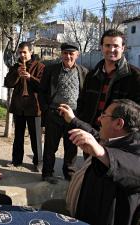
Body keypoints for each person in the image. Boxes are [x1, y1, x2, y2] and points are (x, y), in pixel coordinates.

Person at [53, 99, 140, 225]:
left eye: (104, 115)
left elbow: (132, 167)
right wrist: (73, 119)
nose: (99, 119)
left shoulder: (134, 148)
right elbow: (93, 134)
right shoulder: (111, 139)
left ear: (118, 124)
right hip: (78, 215)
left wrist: (102, 153)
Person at [32, 42, 88, 183]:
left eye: (71, 53)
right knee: (51, 147)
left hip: (73, 116)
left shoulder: (84, 72)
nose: (68, 56)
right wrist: (46, 109)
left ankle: (69, 175)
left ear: (77, 55)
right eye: (65, 53)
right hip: (54, 114)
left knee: (71, 148)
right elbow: (42, 91)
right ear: (61, 54)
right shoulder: (51, 70)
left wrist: (80, 115)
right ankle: (47, 174)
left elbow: (86, 95)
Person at [77, 29, 140, 130]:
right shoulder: (92, 75)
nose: (111, 49)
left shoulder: (135, 76)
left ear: (123, 48)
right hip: (90, 131)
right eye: (107, 45)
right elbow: (82, 102)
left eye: (116, 46)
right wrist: (82, 123)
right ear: (101, 48)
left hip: (118, 136)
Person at [4, 41, 45, 172]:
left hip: (34, 108)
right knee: (18, 136)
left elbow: (43, 86)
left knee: (36, 138)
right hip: (19, 107)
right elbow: (8, 83)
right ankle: (16, 160)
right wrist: (16, 73)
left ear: (31, 52)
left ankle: (38, 162)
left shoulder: (40, 67)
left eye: (24, 52)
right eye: (20, 52)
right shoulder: (15, 66)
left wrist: (30, 77)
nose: (22, 55)